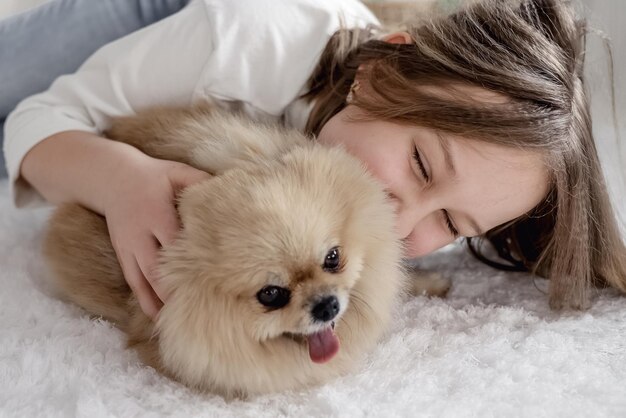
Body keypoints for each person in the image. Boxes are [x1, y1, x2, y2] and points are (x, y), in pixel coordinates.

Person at [2, 0, 625, 320]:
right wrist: (120, 178)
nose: (405, 220)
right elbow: (39, 120)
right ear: (380, 75)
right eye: (423, 167)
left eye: (453, 226)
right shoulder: (246, 42)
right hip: (167, 18)